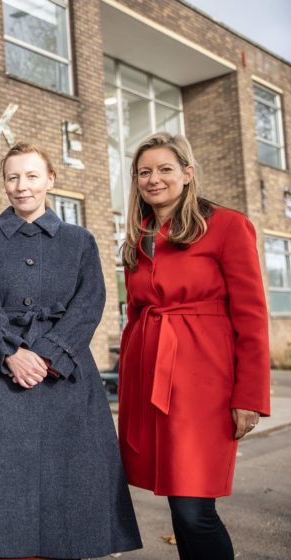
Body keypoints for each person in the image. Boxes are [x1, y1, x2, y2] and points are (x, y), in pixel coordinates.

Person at [0, 142, 142, 560]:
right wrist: (8, 351)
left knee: (65, 498)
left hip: (63, 383)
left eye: (31, 176)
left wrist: (48, 355)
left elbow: (91, 302)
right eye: (12, 177)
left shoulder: (79, 240)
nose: (21, 186)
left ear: (50, 179)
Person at [118, 132, 270, 560]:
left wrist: (250, 396)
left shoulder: (226, 225)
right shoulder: (138, 236)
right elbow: (134, 317)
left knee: (193, 507)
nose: (154, 179)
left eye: (165, 169)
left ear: (187, 173)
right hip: (152, 383)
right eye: (144, 171)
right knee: (176, 503)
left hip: (205, 384)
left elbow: (252, 316)